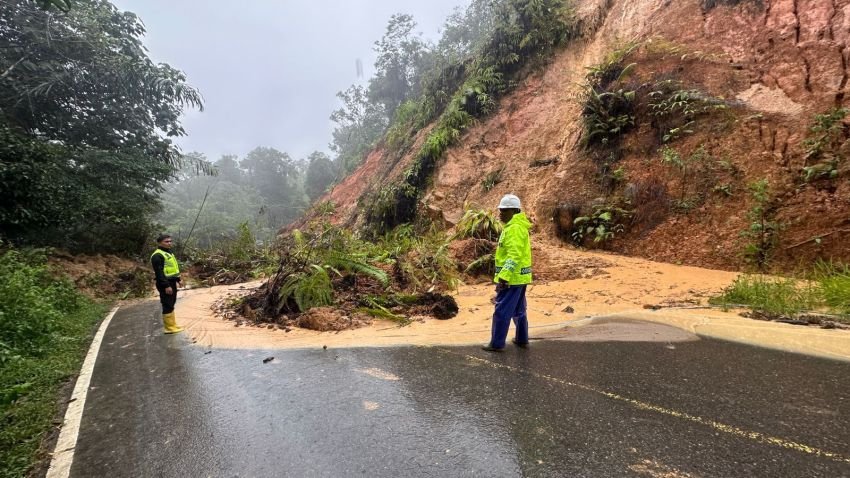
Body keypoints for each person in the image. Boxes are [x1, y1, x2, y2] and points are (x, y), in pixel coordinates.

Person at [484, 194, 533, 352]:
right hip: (520, 277)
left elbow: (514, 255)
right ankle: (521, 339)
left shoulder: (514, 229)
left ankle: (496, 343)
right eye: (501, 210)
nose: (501, 213)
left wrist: (504, 276)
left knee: (502, 310)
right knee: (519, 310)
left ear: (515, 211)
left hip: (511, 278)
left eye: (505, 210)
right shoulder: (517, 227)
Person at [151, 234, 183, 334]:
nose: (169, 243)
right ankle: (169, 328)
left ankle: (173, 325)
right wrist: (166, 286)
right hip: (165, 283)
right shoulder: (157, 255)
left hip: (172, 281)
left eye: (170, 241)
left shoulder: (168, 252)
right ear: (160, 243)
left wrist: (178, 279)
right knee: (167, 303)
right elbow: (159, 272)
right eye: (166, 241)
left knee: (172, 303)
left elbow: (172, 269)